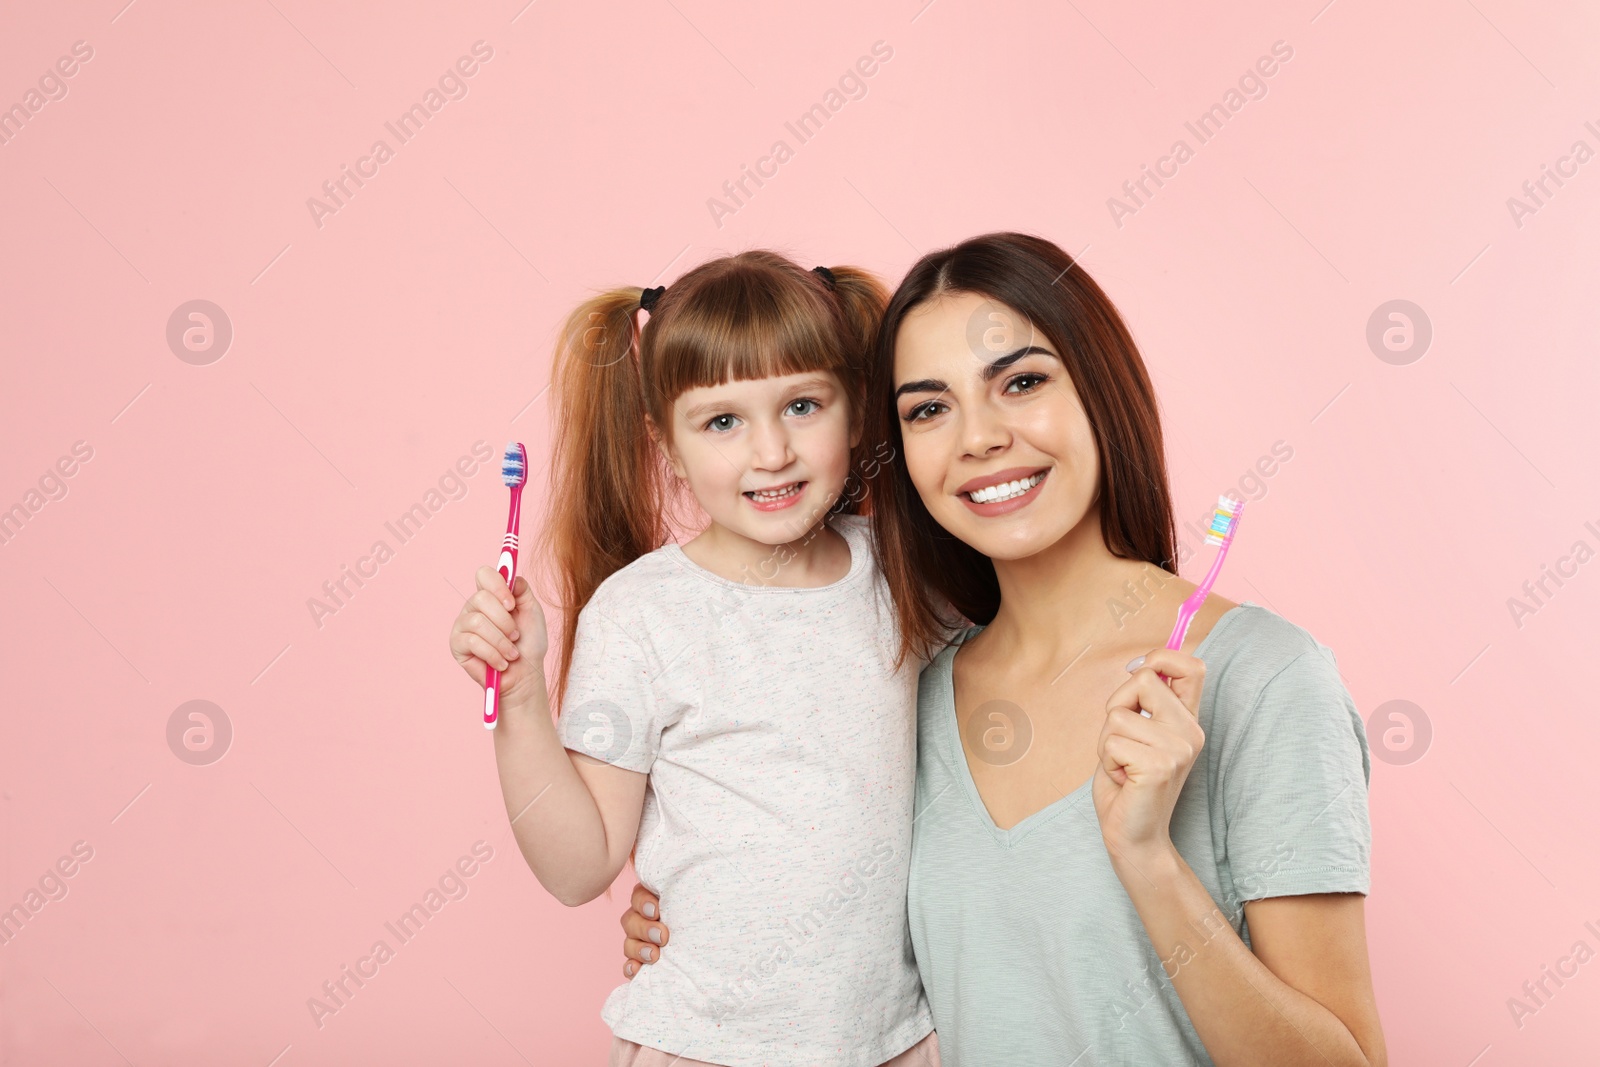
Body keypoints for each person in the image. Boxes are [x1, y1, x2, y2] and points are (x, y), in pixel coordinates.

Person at [619, 233, 1387, 1066]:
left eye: (1020, 382)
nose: (978, 438)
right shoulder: (912, 686)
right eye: (928, 409)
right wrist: (710, 931)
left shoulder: (1264, 679)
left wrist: (1148, 860)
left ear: (1102, 388)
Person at [447, 251, 941, 1067]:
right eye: (722, 422)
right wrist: (523, 697)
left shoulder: (905, 573)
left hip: (895, 1040)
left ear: (857, 414)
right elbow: (579, 867)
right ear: (667, 448)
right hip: (707, 1044)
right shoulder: (642, 616)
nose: (772, 450)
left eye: (803, 405)